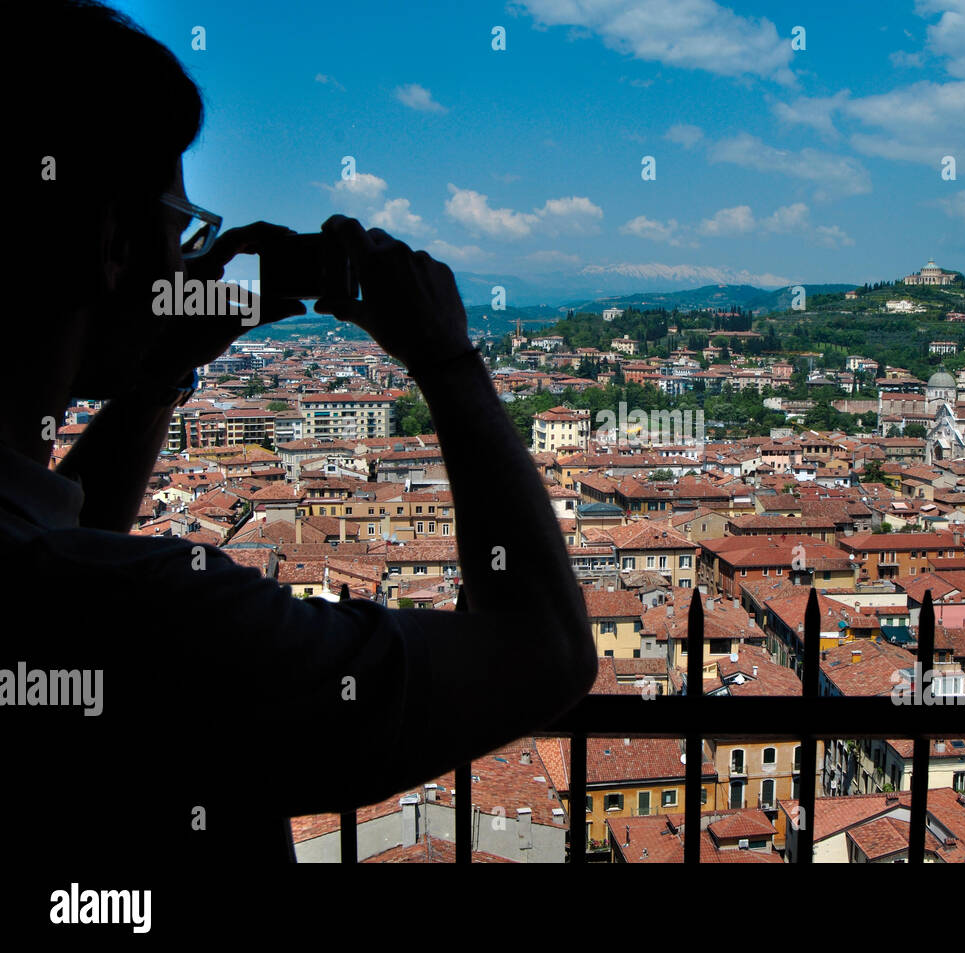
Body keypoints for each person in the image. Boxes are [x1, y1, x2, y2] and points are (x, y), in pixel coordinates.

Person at [6, 0, 596, 868]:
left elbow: (65, 548)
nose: (188, 257)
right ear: (115, 241)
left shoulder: (45, 576)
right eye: (184, 225)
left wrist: (166, 362)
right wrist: (448, 361)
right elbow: (545, 653)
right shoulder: (161, 618)